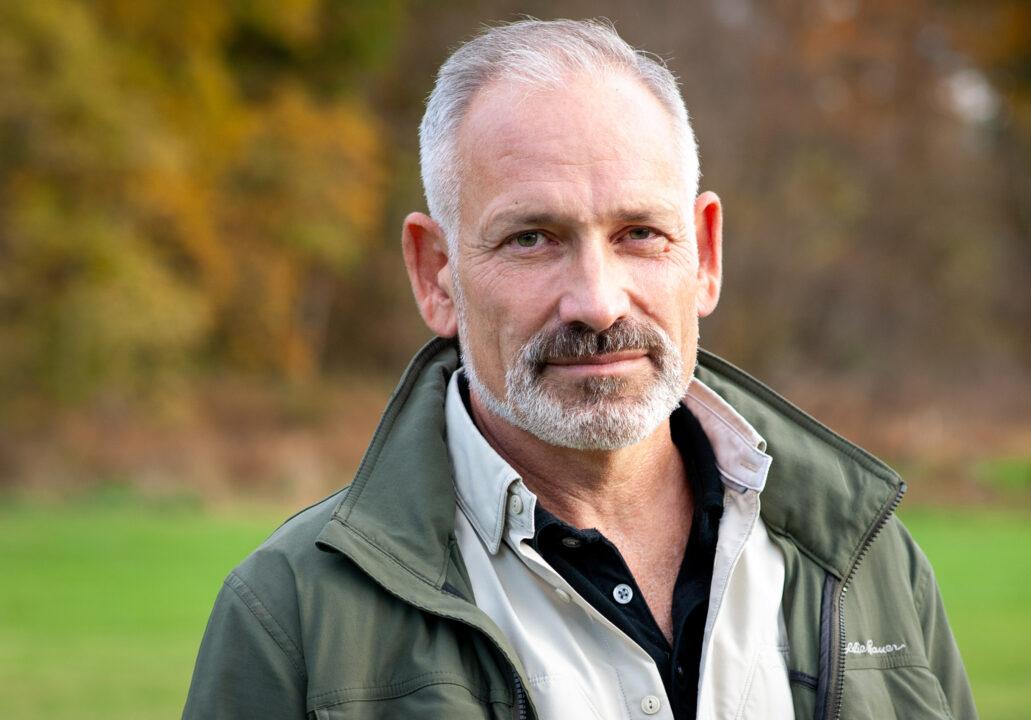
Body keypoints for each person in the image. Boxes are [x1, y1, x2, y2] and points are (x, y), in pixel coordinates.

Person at [184, 18, 976, 720]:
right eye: (532, 237)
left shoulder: (868, 565)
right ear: (436, 273)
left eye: (639, 232)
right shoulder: (292, 618)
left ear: (704, 254)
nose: (596, 303)